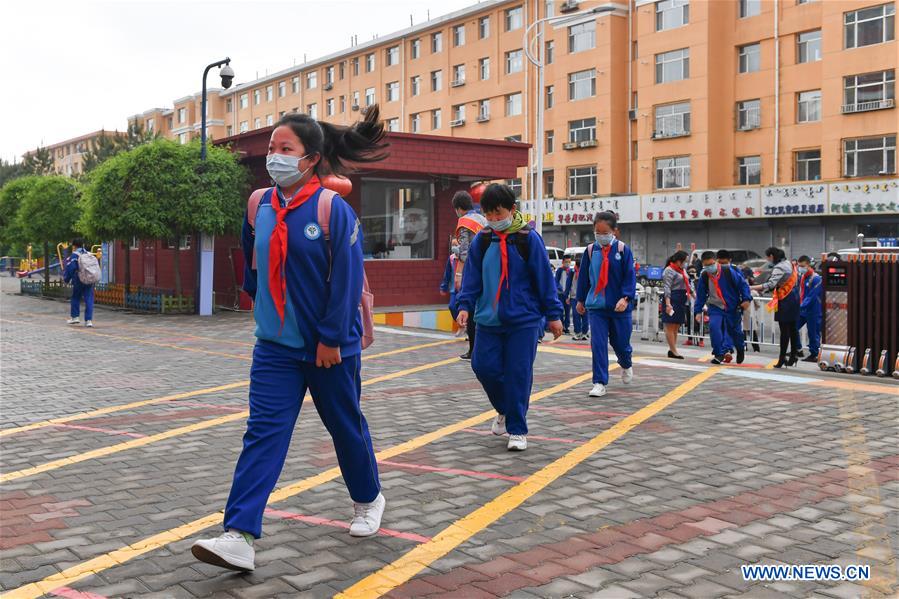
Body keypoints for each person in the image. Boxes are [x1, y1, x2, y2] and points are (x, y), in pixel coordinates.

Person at [191, 107, 389, 572]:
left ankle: (368, 498)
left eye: (285, 150)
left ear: (311, 158)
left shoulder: (331, 210)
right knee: (263, 434)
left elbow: (345, 279)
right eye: (270, 149)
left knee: (344, 427)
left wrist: (331, 339)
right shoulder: (258, 204)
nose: (274, 158)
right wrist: (263, 311)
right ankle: (238, 535)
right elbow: (253, 262)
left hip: (329, 348)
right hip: (275, 348)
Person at [456, 183, 563, 452]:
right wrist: (465, 306)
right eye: (488, 215)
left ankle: (517, 429)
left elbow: (544, 279)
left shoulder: (528, 238)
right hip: (488, 319)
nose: (494, 220)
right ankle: (505, 408)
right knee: (483, 366)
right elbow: (472, 277)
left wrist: (554, 315)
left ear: (512, 210)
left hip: (523, 320)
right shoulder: (482, 239)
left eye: (498, 213)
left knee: (518, 373)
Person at [576, 211, 636, 398]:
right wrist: (580, 299)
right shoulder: (590, 251)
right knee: (598, 343)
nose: (601, 235)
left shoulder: (622, 250)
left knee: (621, 343)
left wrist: (625, 298)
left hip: (619, 306)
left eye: (605, 232)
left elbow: (629, 276)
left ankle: (625, 363)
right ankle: (599, 382)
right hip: (596, 306)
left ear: (614, 231)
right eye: (597, 232)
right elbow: (584, 277)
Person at [693, 251, 752, 365]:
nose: (709, 267)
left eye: (711, 264)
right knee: (714, 327)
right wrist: (698, 311)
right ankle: (719, 353)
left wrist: (746, 299)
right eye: (706, 265)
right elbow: (700, 295)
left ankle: (740, 348)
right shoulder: (705, 275)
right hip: (715, 306)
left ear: (716, 261)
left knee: (735, 332)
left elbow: (743, 285)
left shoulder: (728, 272)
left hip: (732, 307)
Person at [752, 247, 800, 368]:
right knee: (793, 329)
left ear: (772, 256)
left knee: (784, 331)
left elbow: (770, 284)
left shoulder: (779, 267)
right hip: (794, 297)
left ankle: (782, 358)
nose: (767, 259)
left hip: (785, 299)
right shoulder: (790, 264)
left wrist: (751, 287)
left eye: (768, 257)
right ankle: (793, 355)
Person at [453, 191, 488, 360]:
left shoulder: (464, 222)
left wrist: (459, 273)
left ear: (459, 209)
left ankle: (473, 350)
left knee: (469, 310)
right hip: (488, 268)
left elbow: (465, 252)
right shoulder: (482, 218)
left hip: (473, 270)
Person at [661, 250, 691, 359]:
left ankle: (672, 349)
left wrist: (694, 296)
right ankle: (674, 350)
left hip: (681, 299)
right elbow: (667, 288)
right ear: (679, 261)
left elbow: (688, 284)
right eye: (685, 261)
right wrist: (668, 304)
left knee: (676, 326)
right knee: (670, 325)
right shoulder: (669, 270)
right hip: (672, 298)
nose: (686, 263)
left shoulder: (682, 270)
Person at [63, 239, 95, 328]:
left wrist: (66, 279)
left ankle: (75, 317)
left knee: (76, 297)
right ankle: (89, 321)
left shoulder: (74, 255)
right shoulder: (88, 254)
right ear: (83, 244)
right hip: (89, 279)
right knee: (89, 299)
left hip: (78, 279)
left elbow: (71, 268)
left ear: (74, 246)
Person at [796, 255, 822, 363]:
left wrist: (800, 306)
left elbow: (812, 296)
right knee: (793, 327)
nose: (800, 268)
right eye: (799, 265)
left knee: (813, 332)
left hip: (813, 310)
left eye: (802, 266)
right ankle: (798, 349)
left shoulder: (816, 278)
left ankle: (814, 354)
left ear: (808, 265)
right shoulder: (803, 277)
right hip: (803, 309)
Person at [440, 239, 460, 322]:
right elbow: (447, 273)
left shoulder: (466, 257)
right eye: (453, 245)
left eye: (456, 245)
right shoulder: (451, 258)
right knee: (452, 306)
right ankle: (460, 323)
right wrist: (443, 287)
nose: (454, 247)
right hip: (454, 288)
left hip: (463, 287)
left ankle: (465, 325)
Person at [554, 256, 575, 334]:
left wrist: (568, 291)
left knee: (567, 311)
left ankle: (566, 327)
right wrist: (560, 289)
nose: (568, 264)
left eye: (569, 262)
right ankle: (561, 326)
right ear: (563, 262)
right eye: (566, 262)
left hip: (568, 295)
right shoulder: (559, 270)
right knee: (560, 311)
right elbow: (556, 281)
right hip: (560, 294)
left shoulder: (571, 271)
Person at [571, 255, 589, 340]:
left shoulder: (586, 274)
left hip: (583, 298)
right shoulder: (572, 273)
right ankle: (578, 333)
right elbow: (568, 285)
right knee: (576, 316)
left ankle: (584, 333)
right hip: (574, 297)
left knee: (584, 315)